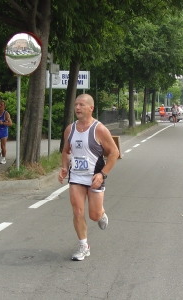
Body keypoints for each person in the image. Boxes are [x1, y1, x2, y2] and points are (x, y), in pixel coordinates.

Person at [58, 94, 119, 261]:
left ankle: (101, 213)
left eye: (82, 105)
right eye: (76, 104)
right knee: (77, 211)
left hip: (94, 177)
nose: (77, 108)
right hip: (76, 176)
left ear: (91, 108)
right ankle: (84, 246)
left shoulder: (99, 129)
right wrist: (64, 167)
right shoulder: (70, 129)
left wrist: (103, 174)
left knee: (94, 215)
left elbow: (114, 152)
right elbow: (66, 151)